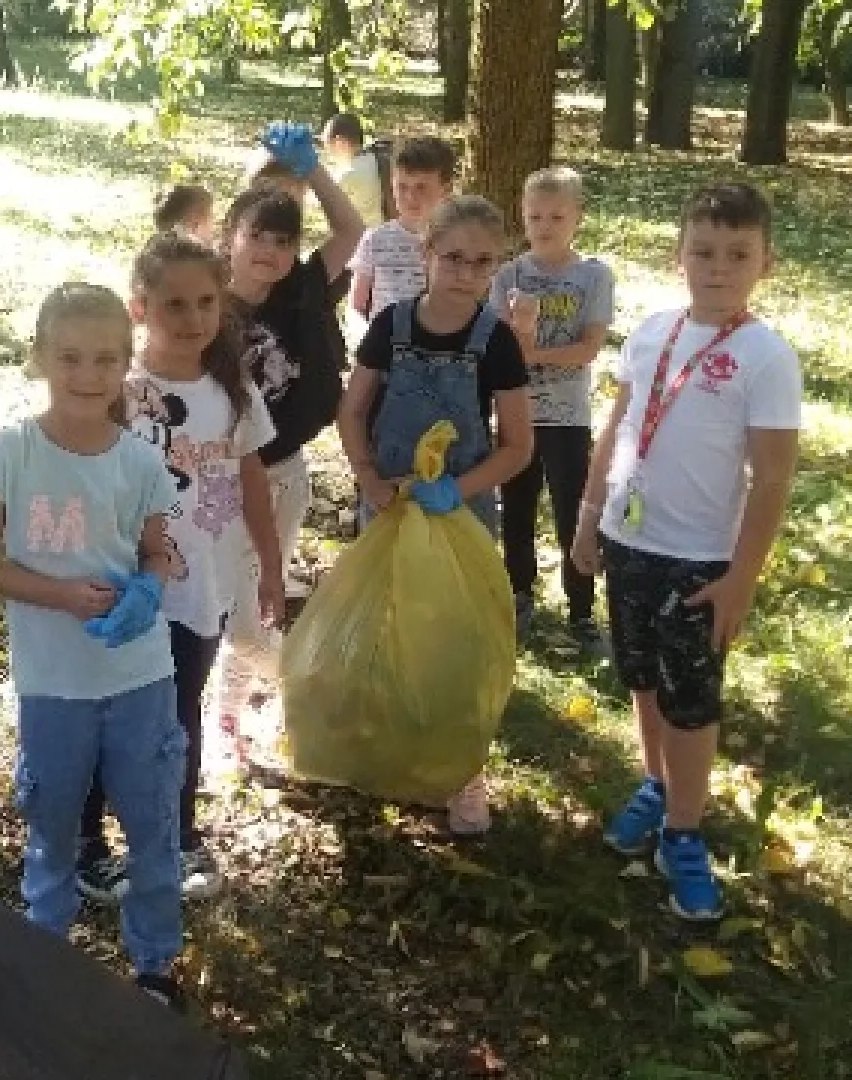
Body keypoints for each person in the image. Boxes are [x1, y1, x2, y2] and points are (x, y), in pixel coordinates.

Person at [571, 182, 801, 922]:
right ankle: (656, 783)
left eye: (739, 254)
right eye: (703, 251)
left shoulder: (766, 358)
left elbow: (771, 479)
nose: (718, 266)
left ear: (765, 263)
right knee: (642, 679)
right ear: (679, 256)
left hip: (701, 563)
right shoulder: (651, 332)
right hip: (629, 541)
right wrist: (588, 515)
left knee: (692, 703)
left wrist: (740, 579)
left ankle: (685, 833)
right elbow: (618, 428)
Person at [0, 282, 188, 1009]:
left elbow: (158, 552)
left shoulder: (140, 462)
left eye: (104, 359)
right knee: (52, 818)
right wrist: (58, 594)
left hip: (138, 676)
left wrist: (149, 591)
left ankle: (154, 965)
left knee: (152, 821)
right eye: (69, 358)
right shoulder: (13, 451)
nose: (87, 375)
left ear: (127, 364)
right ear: (39, 359)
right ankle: (46, 947)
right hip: (54, 682)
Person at [78, 232, 284, 901]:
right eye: (175, 304)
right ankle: (87, 843)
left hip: (204, 587)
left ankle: (175, 832)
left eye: (206, 302)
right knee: (107, 712)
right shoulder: (116, 390)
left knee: (178, 715)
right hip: (126, 591)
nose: (194, 318)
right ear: (140, 307)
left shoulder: (233, 390)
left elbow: (253, 478)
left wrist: (272, 568)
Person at [335, 195, 534, 836]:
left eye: (482, 262)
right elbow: (352, 412)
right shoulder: (391, 326)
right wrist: (368, 477)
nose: (465, 272)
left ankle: (461, 770)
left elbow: (518, 445)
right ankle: (389, 751)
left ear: (497, 266)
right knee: (386, 626)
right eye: (453, 257)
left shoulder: (497, 341)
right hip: (389, 504)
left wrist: (458, 488)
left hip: (460, 514)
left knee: (455, 639)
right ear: (427, 255)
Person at [213, 122, 365, 770]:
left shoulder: (300, 289)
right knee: (238, 612)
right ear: (230, 241)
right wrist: (262, 170)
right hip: (212, 480)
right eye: (258, 240)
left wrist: (312, 172)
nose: (271, 253)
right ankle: (304, 688)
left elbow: (353, 232)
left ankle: (251, 707)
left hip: (280, 476)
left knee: (253, 606)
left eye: (284, 242)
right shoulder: (203, 299)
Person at [493, 166, 615, 653]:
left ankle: (582, 610)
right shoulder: (509, 275)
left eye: (556, 216)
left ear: (577, 218)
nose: (544, 226)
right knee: (517, 512)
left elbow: (588, 349)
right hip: (519, 416)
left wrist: (532, 353)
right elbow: (503, 350)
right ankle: (519, 595)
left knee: (572, 515)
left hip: (568, 418)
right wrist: (521, 339)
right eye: (535, 216)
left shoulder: (593, 277)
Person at [348, 136, 457, 322]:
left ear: (445, 190)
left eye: (421, 188)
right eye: (402, 187)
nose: (410, 197)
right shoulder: (375, 239)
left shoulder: (459, 244)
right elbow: (356, 306)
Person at [320, 112, 390, 229]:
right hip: (380, 230)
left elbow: (329, 210)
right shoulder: (372, 158)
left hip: (360, 239)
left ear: (340, 142)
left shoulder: (347, 175)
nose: (327, 152)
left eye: (327, 145)